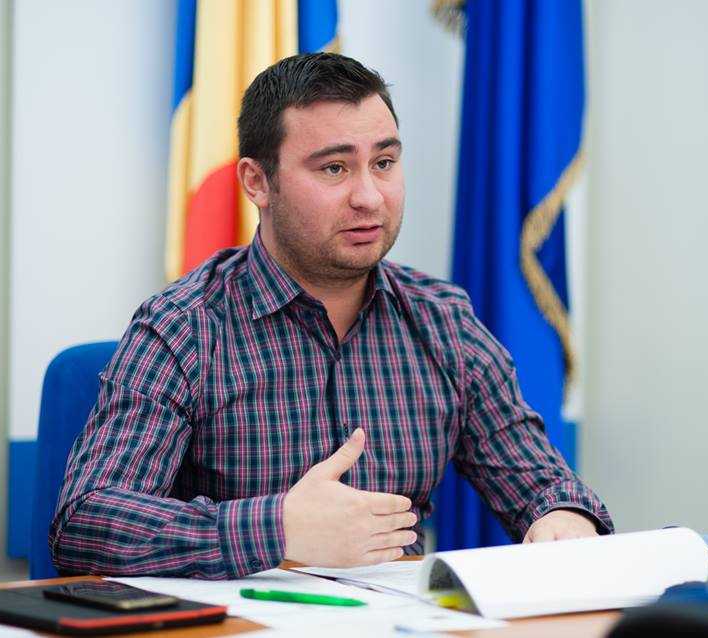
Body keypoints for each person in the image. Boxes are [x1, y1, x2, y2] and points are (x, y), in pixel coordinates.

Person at [51, 53, 613, 579]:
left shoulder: (443, 321)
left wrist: (561, 518)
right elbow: (86, 522)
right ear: (257, 181)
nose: (369, 197)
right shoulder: (186, 326)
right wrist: (276, 529)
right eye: (335, 169)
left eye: (384, 163)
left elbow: (540, 482)